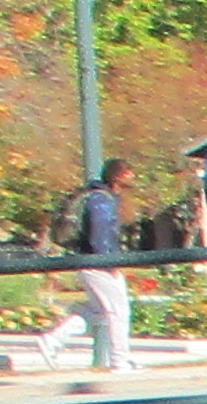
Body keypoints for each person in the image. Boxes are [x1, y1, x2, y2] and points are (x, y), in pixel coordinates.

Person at [8, 157, 140, 376]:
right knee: (118, 311)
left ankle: (51, 340)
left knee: (97, 311)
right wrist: (110, 261)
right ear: (117, 176)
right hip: (97, 262)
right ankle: (120, 362)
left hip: (89, 261)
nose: (132, 176)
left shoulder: (104, 197)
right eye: (128, 172)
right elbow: (100, 234)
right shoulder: (100, 200)